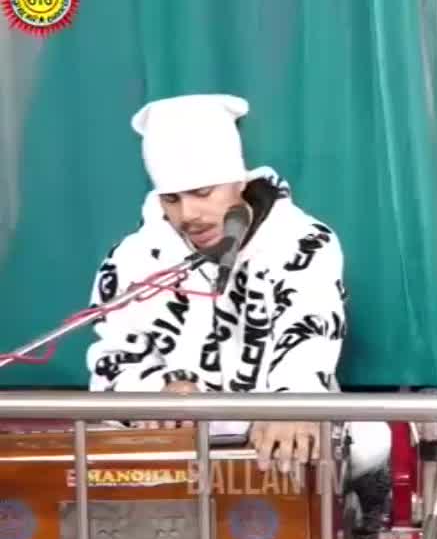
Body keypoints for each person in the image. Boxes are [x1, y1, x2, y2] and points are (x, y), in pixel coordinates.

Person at [85, 93, 389, 485]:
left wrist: (289, 406)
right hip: (182, 432)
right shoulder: (132, 258)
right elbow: (112, 359)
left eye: (202, 192)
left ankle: (357, 512)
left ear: (238, 182)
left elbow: (311, 329)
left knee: (369, 440)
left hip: (277, 423)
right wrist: (155, 391)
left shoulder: (303, 240)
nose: (188, 215)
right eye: (172, 199)